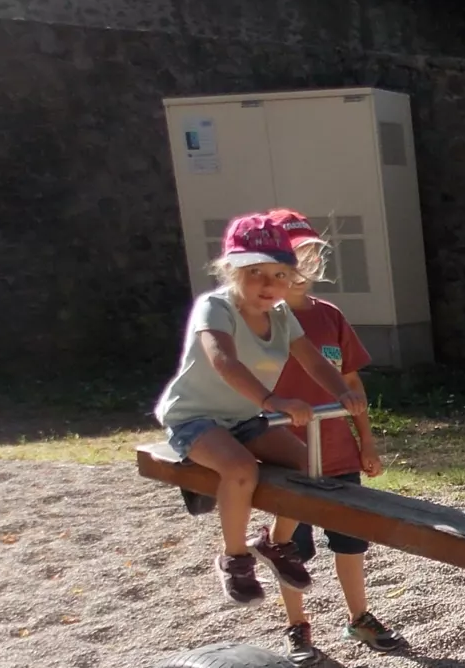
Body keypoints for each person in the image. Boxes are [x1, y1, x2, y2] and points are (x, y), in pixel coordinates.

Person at [154, 214, 367, 604]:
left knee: (308, 466)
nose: (269, 285)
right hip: (196, 416)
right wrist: (273, 401)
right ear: (232, 271)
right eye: (255, 273)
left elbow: (313, 360)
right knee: (240, 470)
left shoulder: (282, 315)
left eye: (279, 275)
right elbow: (224, 361)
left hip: (243, 417)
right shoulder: (216, 307)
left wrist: (342, 392)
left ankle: (276, 542)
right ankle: (234, 558)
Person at [251, 209, 404, 662]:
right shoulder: (262, 321)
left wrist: (366, 442)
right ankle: (297, 626)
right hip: (288, 456)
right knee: (290, 548)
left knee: (351, 541)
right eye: (295, 256)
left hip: (337, 453)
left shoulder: (330, 316)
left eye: (311, 255)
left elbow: (351, 382)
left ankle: (359, 617)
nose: (305, 265)